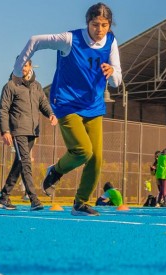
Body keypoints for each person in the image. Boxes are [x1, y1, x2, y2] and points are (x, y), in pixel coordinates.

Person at [15, 3, 122, 216]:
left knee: (97, 158)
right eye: (95, 24)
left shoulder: (110, 42)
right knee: (83, 150)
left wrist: (112, 72)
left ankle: (80, 203)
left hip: (93, 105)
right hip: (66, 103)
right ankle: (55, 171)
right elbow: (35, 40)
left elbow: (117, 81)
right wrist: (19, 67)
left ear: (109, 25)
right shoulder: (70, 39)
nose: (99, 30)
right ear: (87, 23)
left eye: (104, 25)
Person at [0, 59, 56, 211]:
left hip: (33, 131)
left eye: (25, 65)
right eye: (19, 65)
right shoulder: (11, 85)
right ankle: (33, 198)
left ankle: (4, 197)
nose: (22, 68)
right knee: (26, 162)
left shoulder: (37, 86)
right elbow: (3, 109)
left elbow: (43, 103)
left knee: (20, 162)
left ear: (30, 66)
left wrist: (51, 114)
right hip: (18, 130)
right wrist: (5, 131)